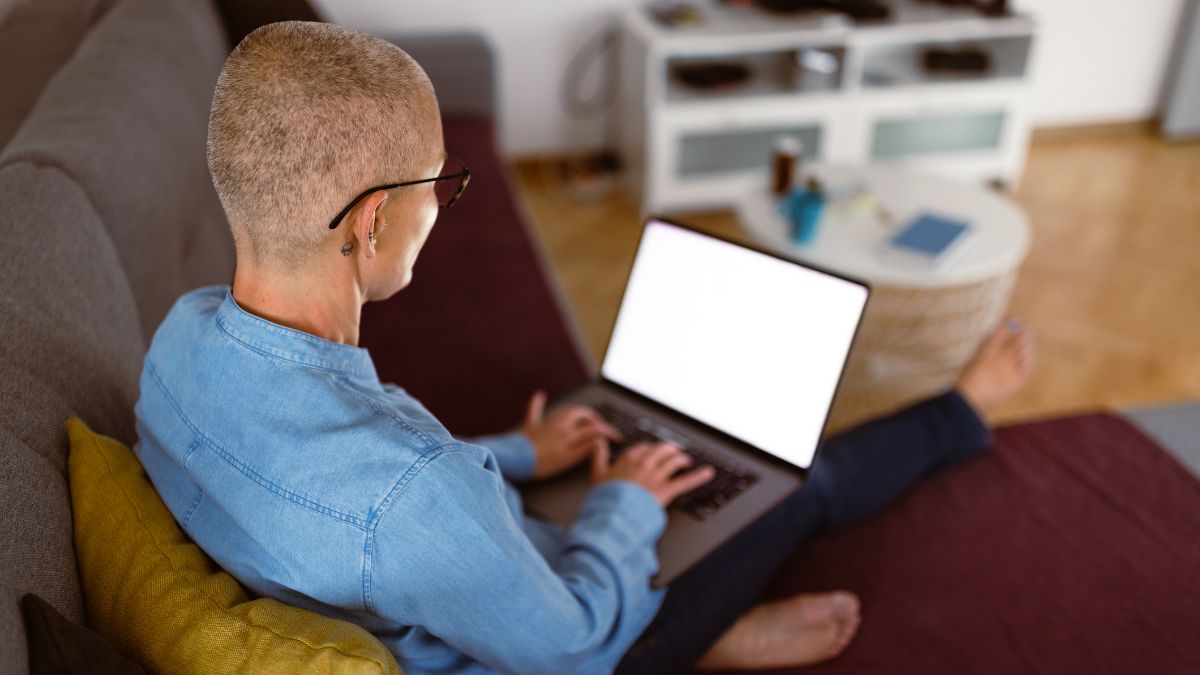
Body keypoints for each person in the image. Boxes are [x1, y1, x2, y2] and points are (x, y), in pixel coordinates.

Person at [133, 21, 1035, 675]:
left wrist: (521, 453)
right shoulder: (413, 493)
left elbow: (368, 495)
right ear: (371, 224)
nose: (442, 205)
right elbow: (575, 648)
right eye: (440, 184)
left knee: (624, 441)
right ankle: (960, 410)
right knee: (798, 481)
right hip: (561, 633)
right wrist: (623, 505)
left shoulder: (178, 342)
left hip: (462, 566)